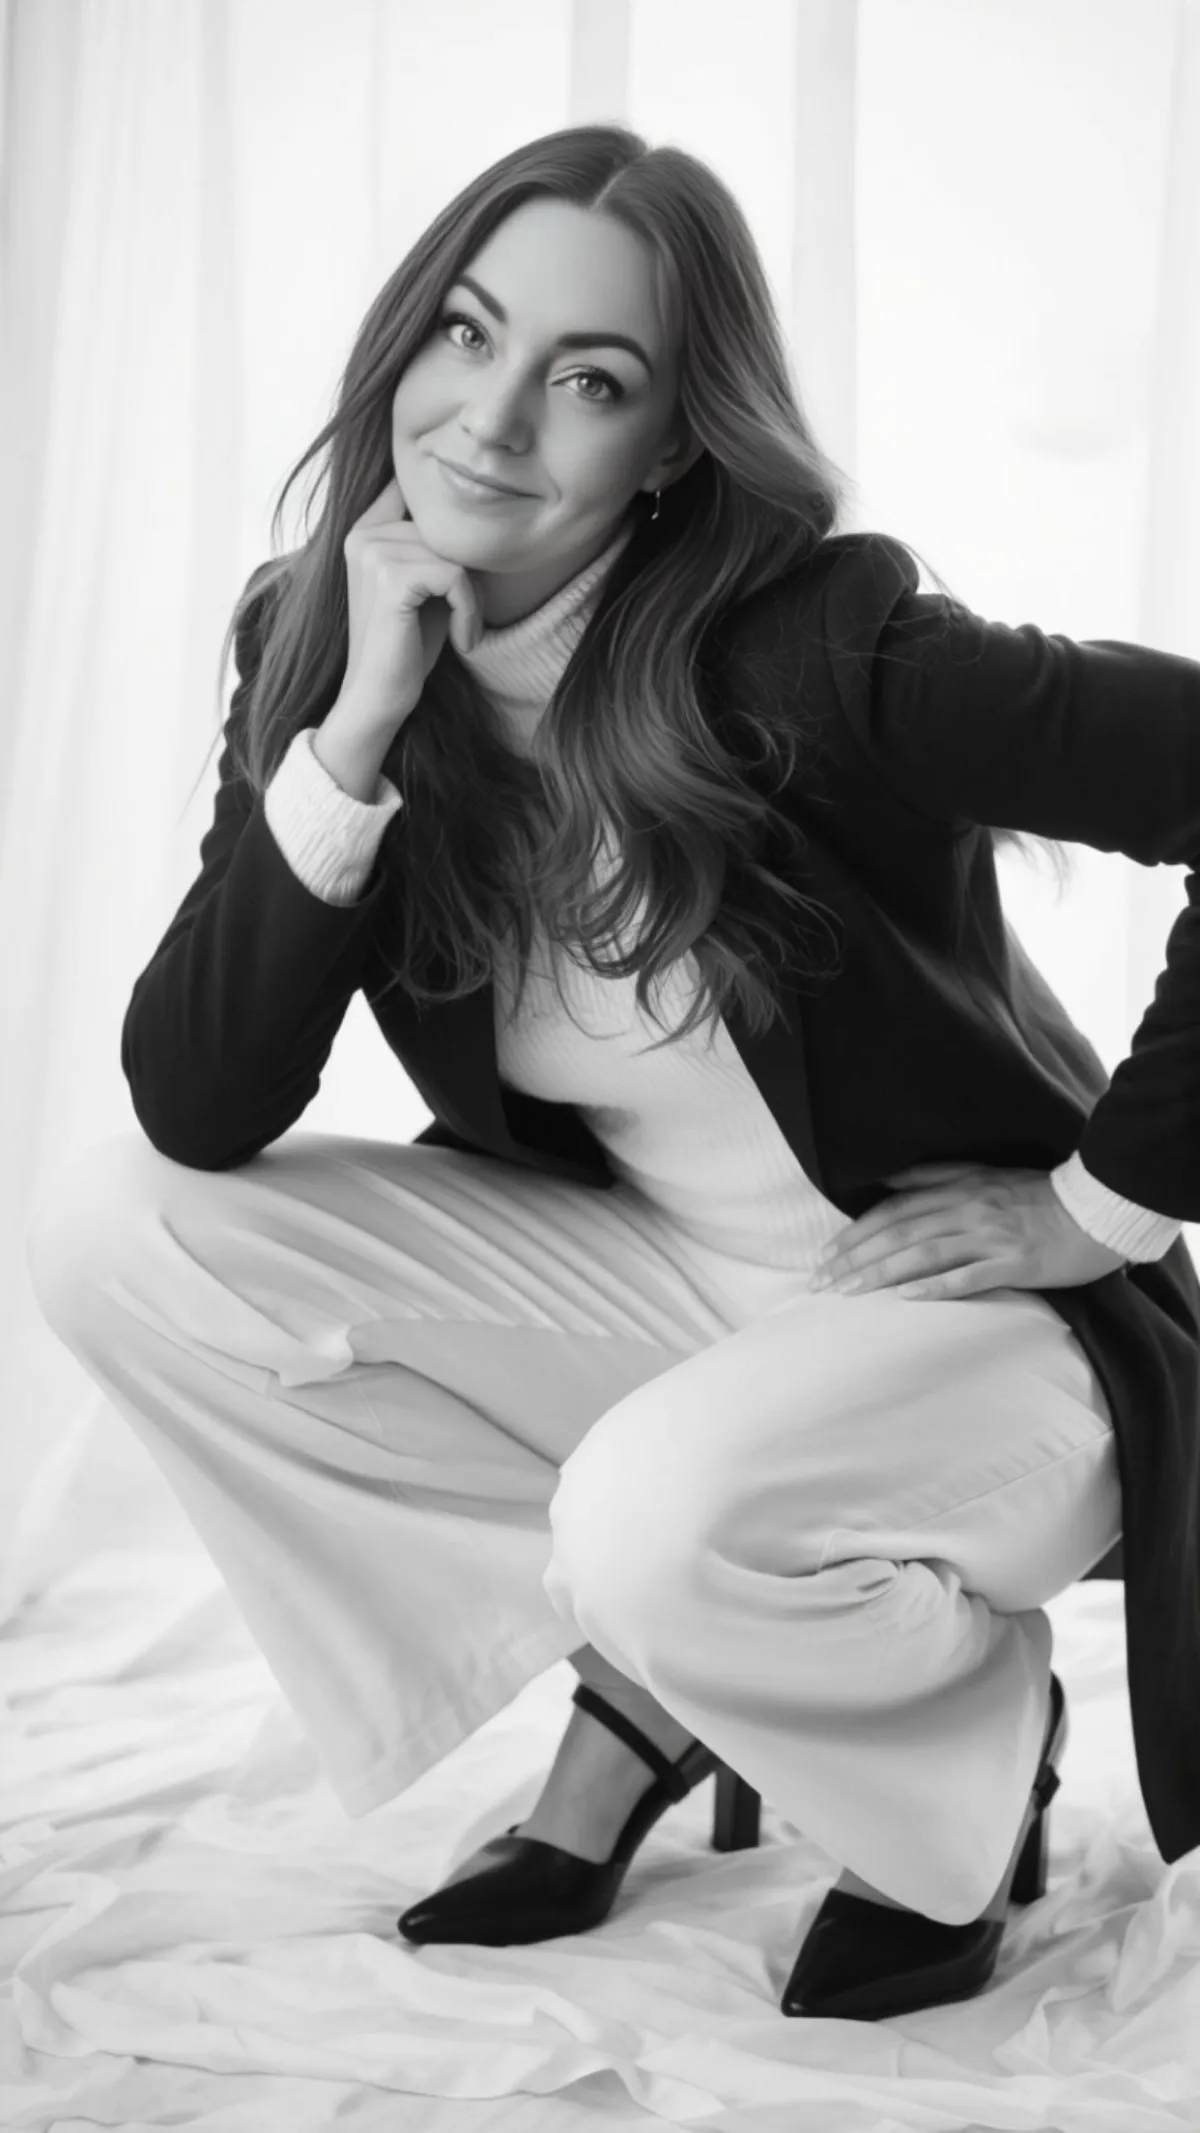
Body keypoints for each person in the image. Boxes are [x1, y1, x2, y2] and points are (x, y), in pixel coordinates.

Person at [25, 122, 1200, 2026]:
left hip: (976, 1327)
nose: (491, 418)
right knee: (115, 1233)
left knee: (654, 1511)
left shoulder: (825, 648)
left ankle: (962, 1764)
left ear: (668, 446)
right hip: (668, 1291)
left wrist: (1101, 1204)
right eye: (468, 334)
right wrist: (362, 721)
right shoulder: (325, 640)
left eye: (588, 379)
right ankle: (658, 1669)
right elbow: (199, 1104)